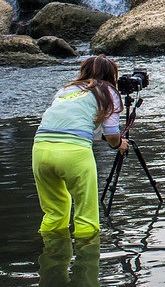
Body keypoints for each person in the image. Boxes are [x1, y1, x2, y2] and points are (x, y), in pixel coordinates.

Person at [32, 56, 129, 238]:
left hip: (41, 148)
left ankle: (51, 251)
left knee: (54, 213)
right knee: (86, 218)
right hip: (74, 153)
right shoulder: (108, 91)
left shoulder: (67, 89)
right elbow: (111, 133)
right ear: (112, 75)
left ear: (84, 71)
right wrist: (118, 144)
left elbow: (70, 121)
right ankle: (87, 253)